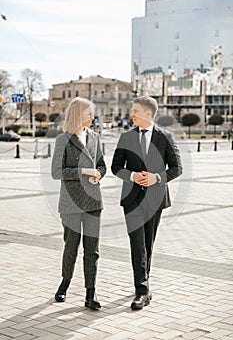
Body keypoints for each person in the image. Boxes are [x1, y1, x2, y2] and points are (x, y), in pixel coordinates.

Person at [111, 95, 182, 310]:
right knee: (137, 244)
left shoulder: (165, 137)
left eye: (135, 111)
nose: (131, 114)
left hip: (156, 198)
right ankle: (141, 291)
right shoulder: (126, 137)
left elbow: (177, 168)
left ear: (148, 114)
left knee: (147, 244)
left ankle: (145, 284)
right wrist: (132, 176)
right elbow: (115, 167)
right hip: (132, 199)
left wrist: (156, 178)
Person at [51, 97, 106, 310]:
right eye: (88, 113)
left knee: (92, 250)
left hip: (93, 202)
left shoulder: (95, 137)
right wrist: (83, 171)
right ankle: (65, 282)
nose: (92, 117)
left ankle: (90, 294)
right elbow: (56, 172)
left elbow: (102, 165)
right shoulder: (62, 139)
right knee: (71, 246)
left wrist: (99, 175)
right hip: (71, 203)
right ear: (77, 115)